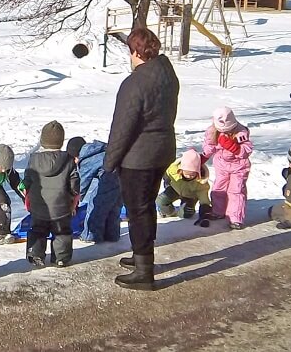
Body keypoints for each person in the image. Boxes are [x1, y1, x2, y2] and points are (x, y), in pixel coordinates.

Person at [105, 26, 179, 291]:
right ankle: (141, 255)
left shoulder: (135, 83)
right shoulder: (166, 72)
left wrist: (110, 161)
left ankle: (144, 271)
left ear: (135, 51)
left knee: (138, 210)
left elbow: (123, 127)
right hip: (162, 149)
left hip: (139, 157)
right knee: (146, 206)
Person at [23, 121, 80, 268]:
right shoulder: (68, 160)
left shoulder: (34, 159)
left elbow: (27, 180)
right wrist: (74, 195)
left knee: (38, 230)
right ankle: (61, 258)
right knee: (62, 232)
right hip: (61, 206)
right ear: (61, 142)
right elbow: (74, 182)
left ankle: (36, 254)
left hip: (39, 205)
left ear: (43, 140)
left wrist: (27, 193)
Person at [203, 107, 253, 230]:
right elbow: (209, 146)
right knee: (219, 188)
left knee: (235, 191)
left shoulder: (241, 132)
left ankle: (235, 218)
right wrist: (203, 157)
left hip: (239, 166)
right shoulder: (213, 131)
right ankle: (218, 211)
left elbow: (247, 149)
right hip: (221, 165)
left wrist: (236, 148)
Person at [73, 138, 123, 243]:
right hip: (121, 181)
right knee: (114, 210)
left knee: (96, 207)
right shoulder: (99, 151)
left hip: (107, 182)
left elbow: (82, 182)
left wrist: (76, 199)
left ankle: (90, 236)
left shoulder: (87, 159)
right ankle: (112, 235)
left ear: (76, 155)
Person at [158, 148, 212, 227]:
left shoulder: (200, 183)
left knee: (185, 215)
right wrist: (166, 181)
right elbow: (165, 172)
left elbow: (204, 200)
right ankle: (171, 213)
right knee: (160, 201)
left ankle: (184, 210)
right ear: (181, 169)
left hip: (190, 196)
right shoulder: (173, 170)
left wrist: (204, 214)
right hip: (174, 189)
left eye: (193, 174)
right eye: (187, 173)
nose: (189, 176)